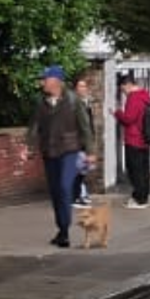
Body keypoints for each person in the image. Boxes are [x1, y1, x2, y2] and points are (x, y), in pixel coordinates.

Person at [27, 65, 94, 248]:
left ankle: (64, 230)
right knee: (56, 191)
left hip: (69, 150)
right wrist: (30, 146)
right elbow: (34, 126)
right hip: (49, 151)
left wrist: (90, 152)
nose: (42, 83)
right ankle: (61, 229)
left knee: (64, 187)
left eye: (44, 79)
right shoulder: (41, 102)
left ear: (55, 82)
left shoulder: (73, 101)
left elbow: (85, 127)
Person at [113, 73, 150, 209]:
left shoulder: (134, 98)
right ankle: (144, 197)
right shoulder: (145, 97)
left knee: (134, 170)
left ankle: (139, 198)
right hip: (145, 139)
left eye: (123, 88)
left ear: (128, 85)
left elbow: (129, 119)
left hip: (134, 139)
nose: (123, 92)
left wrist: (117, 113)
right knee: (144, 170)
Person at [72, 75, 98, 205]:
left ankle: (80, 194)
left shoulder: (86, 103)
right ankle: (76, 196)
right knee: (78, 170)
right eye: (80, 86)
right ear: (75, 88)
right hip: (77, 142)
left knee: (83, 170)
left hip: (85, 142)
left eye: (85, 86)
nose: (83, 89)